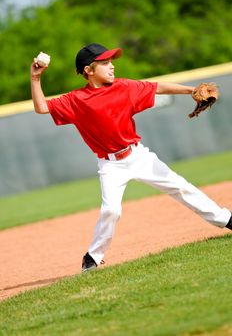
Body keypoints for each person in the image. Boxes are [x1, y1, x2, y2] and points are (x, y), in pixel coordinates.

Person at [30, 43, 232, 272]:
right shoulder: (76, 100)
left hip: (138, 156)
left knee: (180, 186)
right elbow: (42, 108)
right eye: (104, 63)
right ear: (89, 70)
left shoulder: (124, 87)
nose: (111, 66)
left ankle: (227, 220)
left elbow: (158, 88)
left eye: (111, 61)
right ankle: (93, 257)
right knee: (111, 210)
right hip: (110, 165)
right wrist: (35, 78)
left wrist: (191, 90)